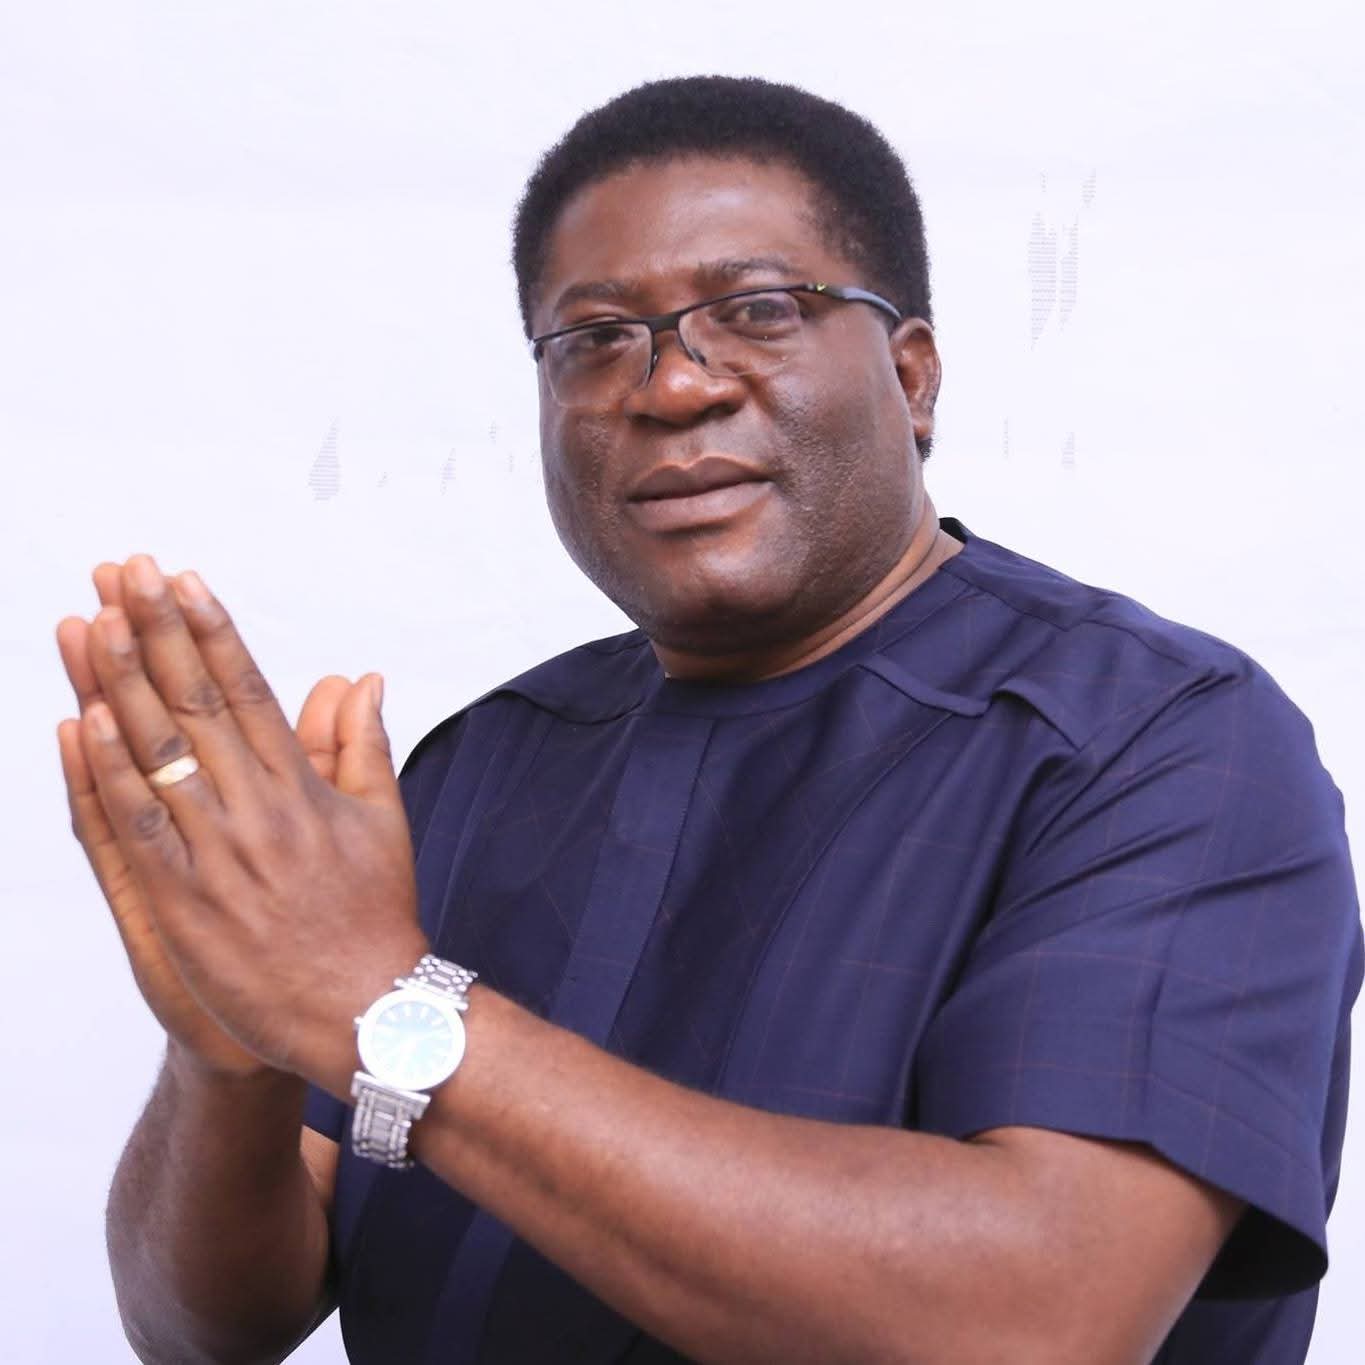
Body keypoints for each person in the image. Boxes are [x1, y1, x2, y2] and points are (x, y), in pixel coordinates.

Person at [57, 76, 1360, 1365]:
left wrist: (381, 1006)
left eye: (759, 311)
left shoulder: (1158, 745)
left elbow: (1035, 1321)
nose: (672, 387)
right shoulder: (479, 765)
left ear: (911, 376)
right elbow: (207, 1331)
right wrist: (230, 1050)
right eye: (594, 338)